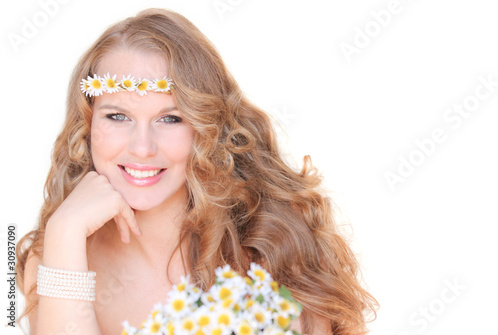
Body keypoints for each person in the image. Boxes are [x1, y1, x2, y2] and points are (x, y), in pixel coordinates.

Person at [16, 8, 377, 335]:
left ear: (206, 129)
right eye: (117, 116)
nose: (142, 147)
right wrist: (64, 232)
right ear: (87, 125)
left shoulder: (272, 249)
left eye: (170, 118)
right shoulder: (54, 255)